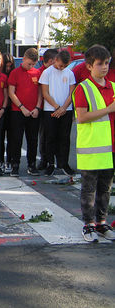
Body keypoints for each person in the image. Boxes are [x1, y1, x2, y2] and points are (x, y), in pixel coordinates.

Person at [72, 44, 115, 242]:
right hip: (91, 148)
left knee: (105, 189)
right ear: (89, 66)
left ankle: (101, 223)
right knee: (89, 190)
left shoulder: (113, 87)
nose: (104, 67)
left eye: (107, 63)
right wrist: (109, 108)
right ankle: (88, 225)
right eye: (100, 64)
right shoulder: (83, 89)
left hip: (110, 148)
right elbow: (82, 117)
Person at [39, 50, 76, 177]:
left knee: (64, 138)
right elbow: (45, 93)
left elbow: (72, 93)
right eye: (60, 65)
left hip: (66, 109)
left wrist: (63, 108)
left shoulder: (70, 73)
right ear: (56, 60)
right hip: (51, 110)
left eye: (64, 66)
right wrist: (56, 107)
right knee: (51, 137)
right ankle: (50, 163)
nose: (61, 68)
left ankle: (63, 163)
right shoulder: (46, 73)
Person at [8, 48, 42, 177]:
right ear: (23, 59)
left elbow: (40, 92)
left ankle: (31, 164)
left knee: (33, 139)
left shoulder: (37, 73)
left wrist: (37, 108)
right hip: (18, 111)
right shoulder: (15, 73)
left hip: (33, 112)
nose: (31, 66)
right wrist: (22, 107)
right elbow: (11, 92)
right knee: (16, 139)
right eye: (29, 64)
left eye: (33, 64)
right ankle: (15, 164)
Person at [37, 48, 58, 171]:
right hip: (43, 108)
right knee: (44, 135)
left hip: (53, 107)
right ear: (51, 61)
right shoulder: (41, 72)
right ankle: (44, 159)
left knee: (54, 135)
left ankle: (53, 160)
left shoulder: (57, 71)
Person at [1, 53, 15, 173]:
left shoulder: (13, 74)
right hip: (0, 109)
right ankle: (0, 161)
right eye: (6, 66)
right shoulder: (0, 75)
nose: (8, 69)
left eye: (11, 66)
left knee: (11, 137)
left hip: (12, 109)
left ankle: (9, 160)